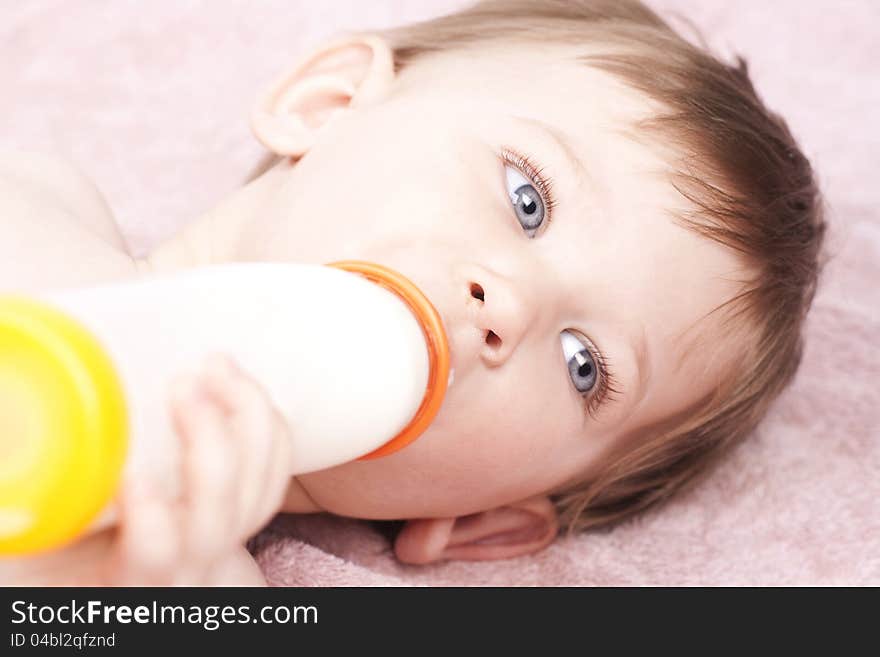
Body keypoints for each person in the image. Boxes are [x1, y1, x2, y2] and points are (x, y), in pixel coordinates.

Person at [0, 0, 826, 585]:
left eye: (584, 365)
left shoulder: (203, 591)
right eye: (527, 199)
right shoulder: (37, 208)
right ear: (326, 105)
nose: (511, 305)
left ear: (484, 521)